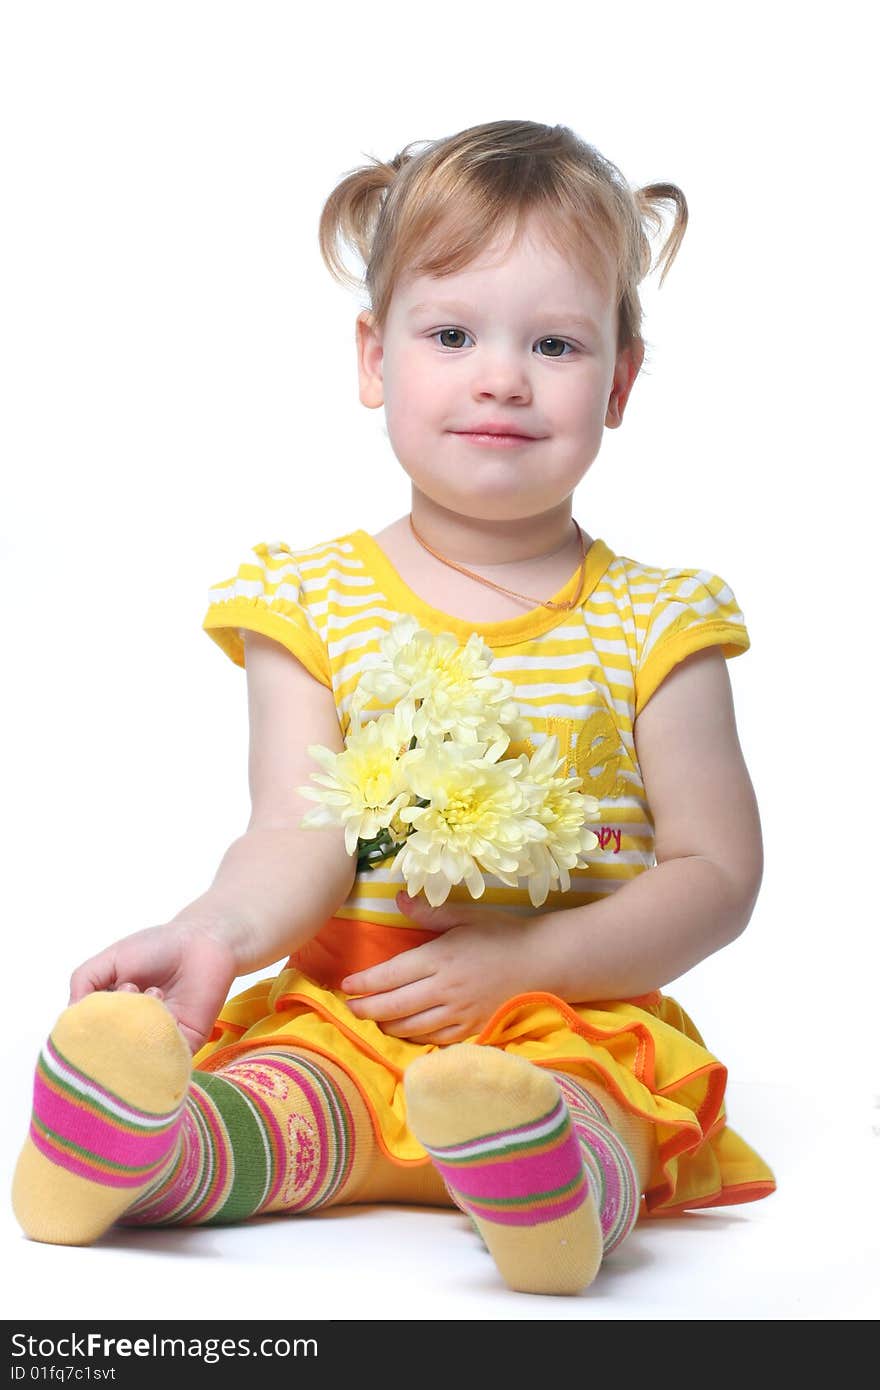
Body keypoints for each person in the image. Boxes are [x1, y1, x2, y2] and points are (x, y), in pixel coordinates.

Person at [11, 118, 776, 1296]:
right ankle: (138, 1159)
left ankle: (547, 1182)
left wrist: (537, 961)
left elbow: (716, 873)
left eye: (557, 344)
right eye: (452, 333)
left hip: (565, 1019)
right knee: (286, 1104)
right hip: (355, 1014)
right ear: (374, 358)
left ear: (619, 380)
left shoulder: (655, 621)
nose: (501, 376)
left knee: (604, 1108)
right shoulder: (310, 600)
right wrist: (214, 934)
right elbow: (294, 831)